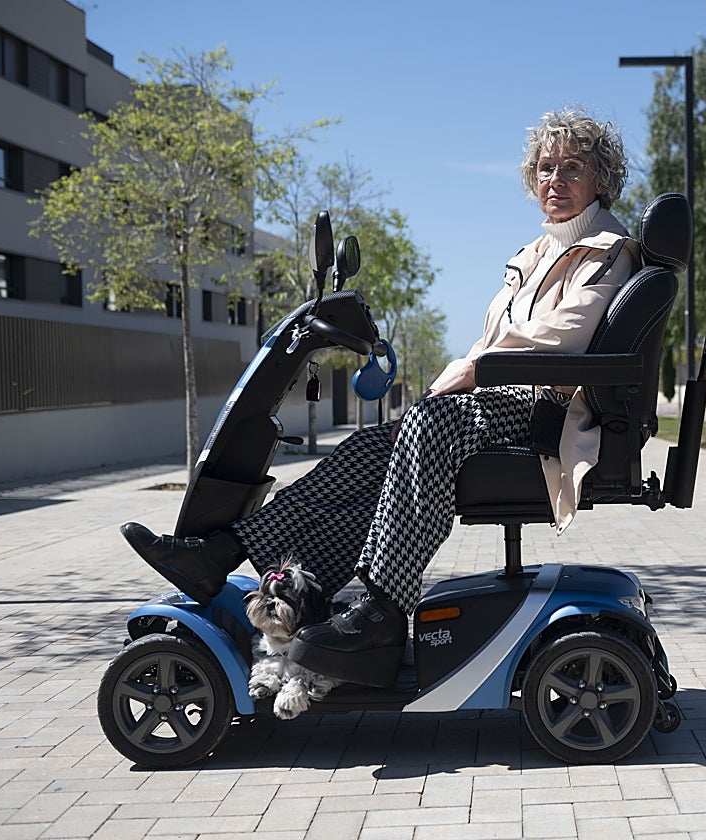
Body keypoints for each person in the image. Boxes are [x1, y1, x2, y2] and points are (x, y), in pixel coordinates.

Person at [120, 108, 641, 684]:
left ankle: (383, 609)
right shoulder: (535, 253)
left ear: (601, 177)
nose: (555, 181)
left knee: (428, 423)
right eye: (545, 168)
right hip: (502, 400)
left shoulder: (608, 250)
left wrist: (470, 369)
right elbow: (498, 336)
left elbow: (566, 332)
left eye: (572, 168)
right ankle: (233, 558)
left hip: (543, 411)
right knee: (370, 450)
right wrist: (466, 368)